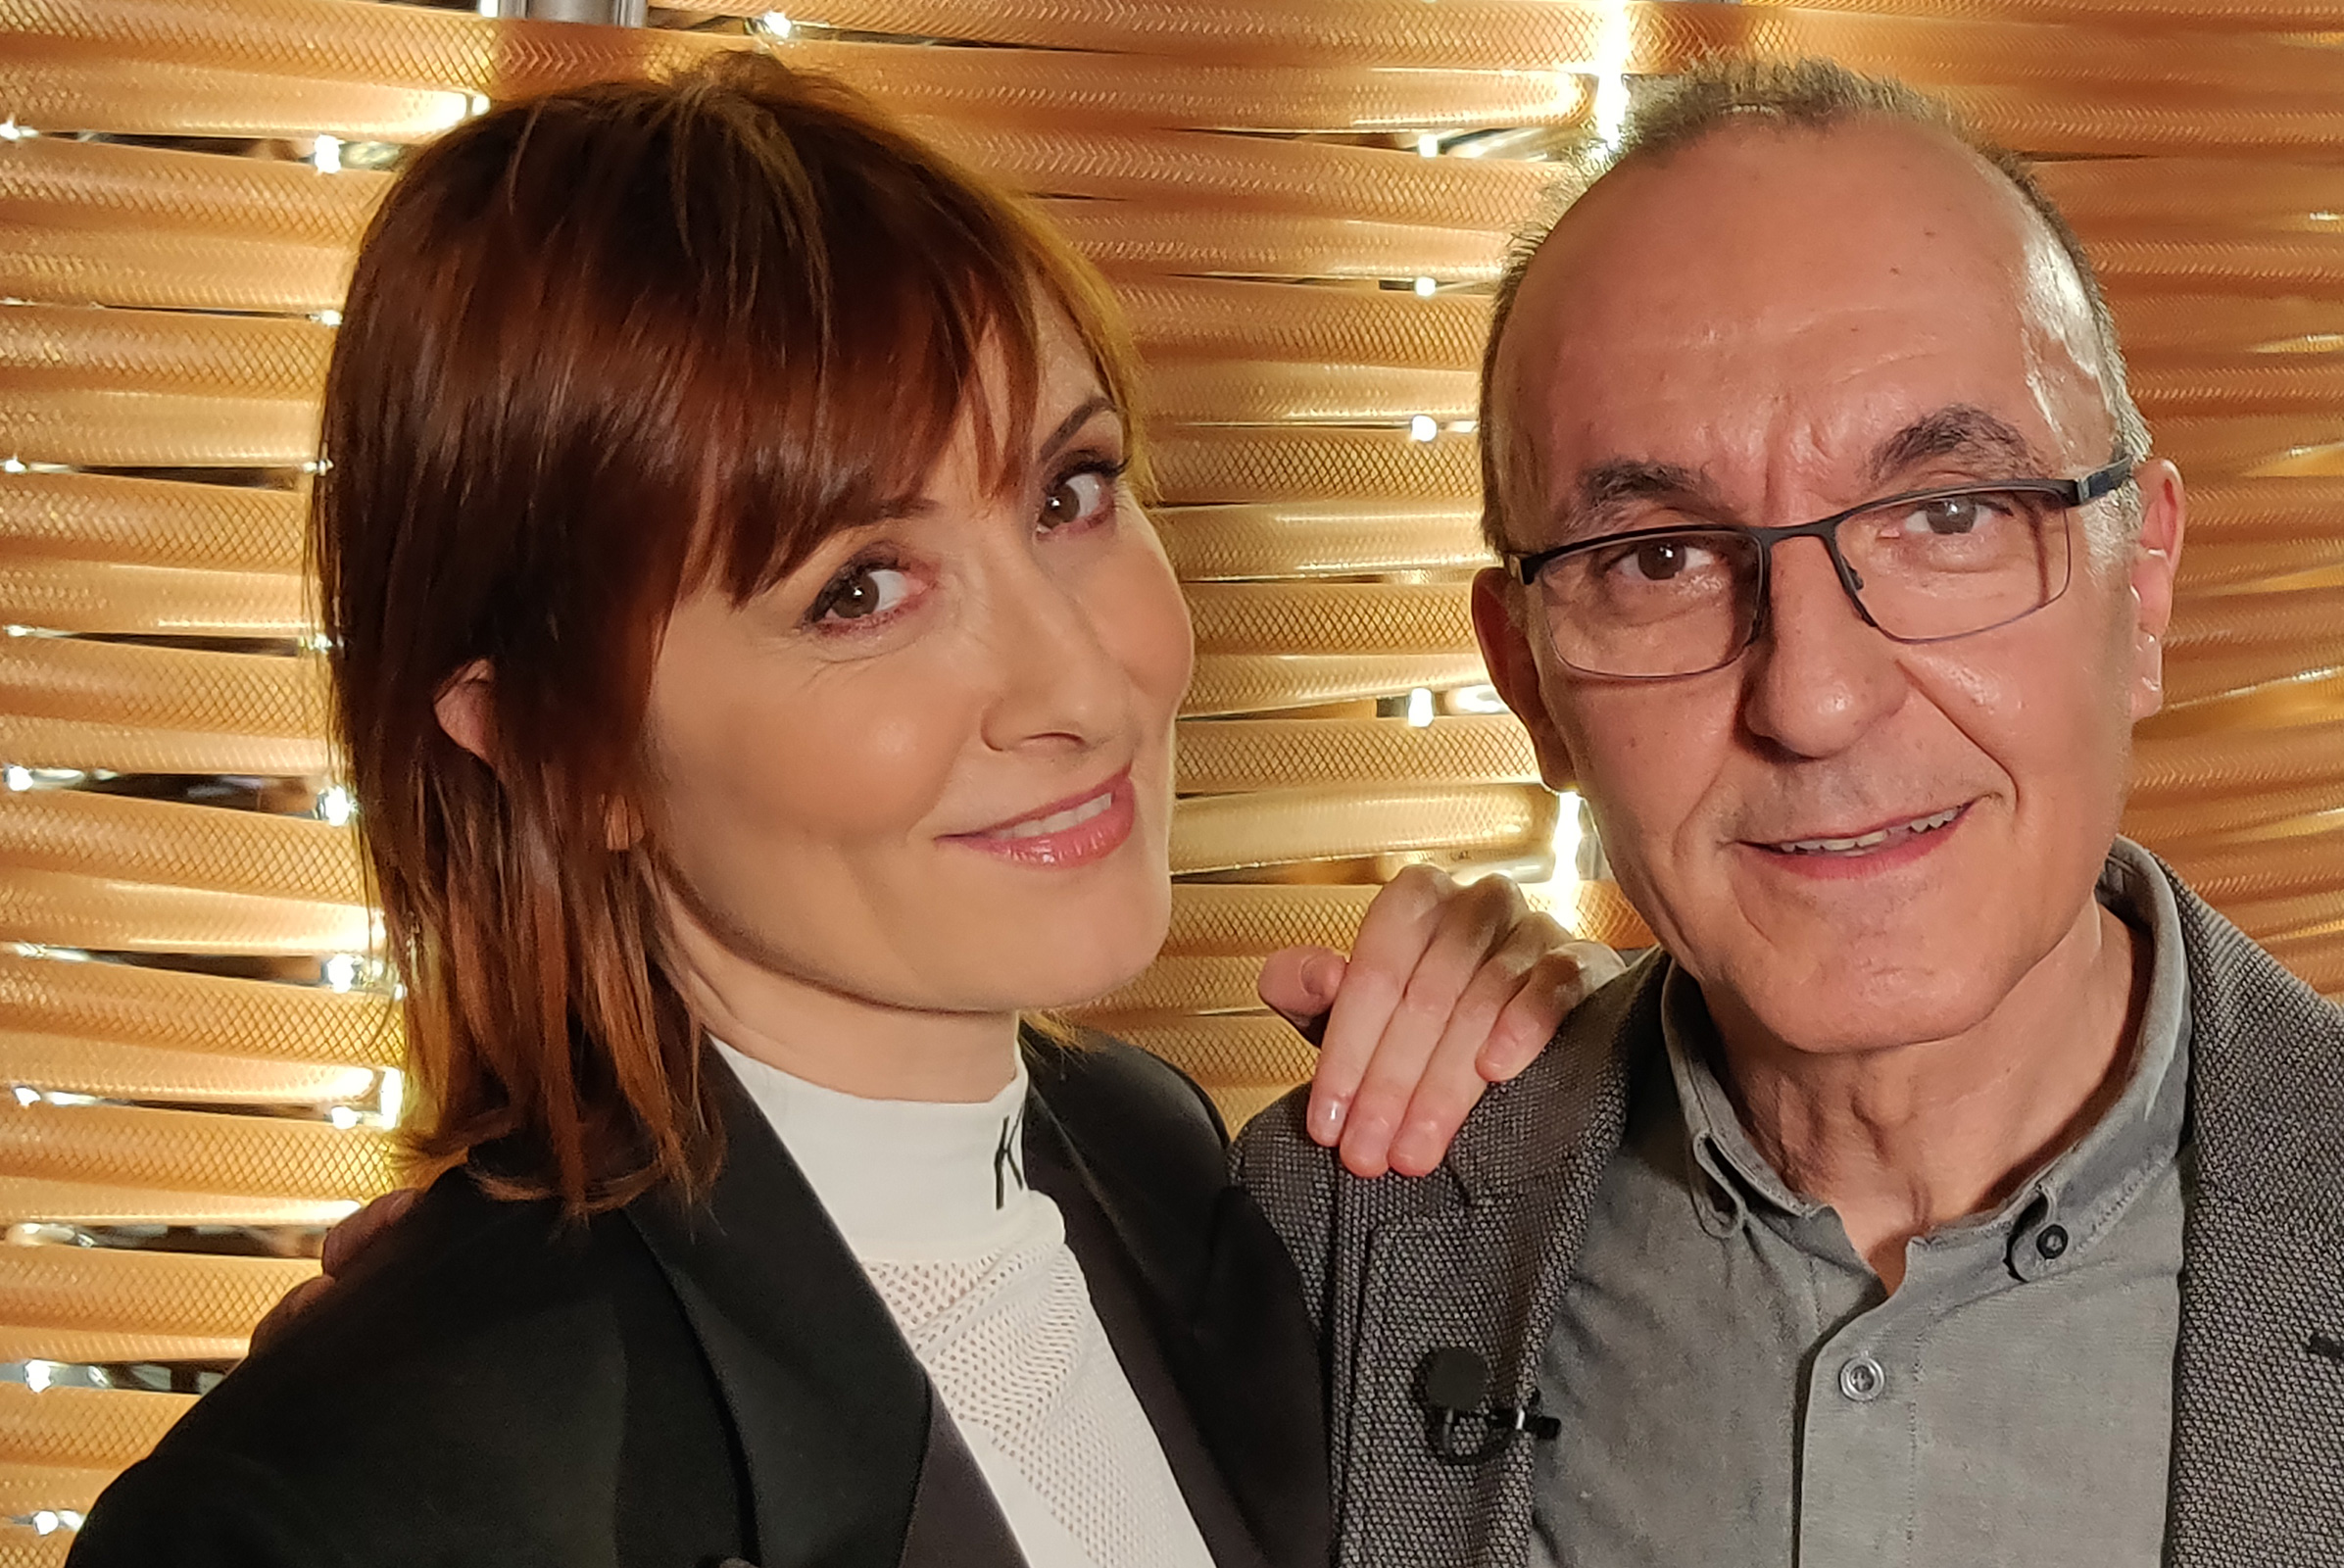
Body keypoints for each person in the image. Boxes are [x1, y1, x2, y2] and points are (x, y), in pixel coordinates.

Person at [1238, 57, 2344, 1568]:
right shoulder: (1325, 1256)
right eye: (1659, 559)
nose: (1815, 697)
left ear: (2146, 581)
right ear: (1525, 677)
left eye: (1947, 515)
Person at [69, 58, 1610, 1568]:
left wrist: (1615, 1071)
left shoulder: (1162, 1169)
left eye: (1069, 493)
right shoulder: (351, 1504)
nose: (1080, 681)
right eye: (859, 590)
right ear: (558, 744)